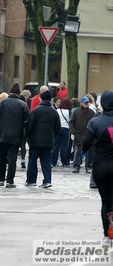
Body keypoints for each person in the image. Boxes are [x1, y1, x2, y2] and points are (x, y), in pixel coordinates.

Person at [82, 90, 113, 248]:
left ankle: (107, 236)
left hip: (100, 165)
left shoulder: (96, 121)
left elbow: (86, 144)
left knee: (105, 201)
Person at [0, 83, 29, 188]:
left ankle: (0, 179)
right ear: (18, 94)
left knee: (2, 157)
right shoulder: (22, 104)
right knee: (13, 158)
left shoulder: (1, 103)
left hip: (2, 134)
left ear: (9, 92)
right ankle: (10, 180)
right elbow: (26, 120)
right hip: (15, 135)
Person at [25, 90, 60, 188]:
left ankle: (31, 180)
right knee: (47, 161)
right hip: (48, 141)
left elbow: (30, 125)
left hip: (35, 140)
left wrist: (29, 136)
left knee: (32, 160)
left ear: (41, 98)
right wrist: (52, 136)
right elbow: (58, 127)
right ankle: (47, 180)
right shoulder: (54, 112)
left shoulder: (36, 110)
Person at [69, 96, 95, 173]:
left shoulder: (91, 112)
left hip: (88, 135)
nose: (87, 103)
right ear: (81, 103)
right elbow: (71, 122)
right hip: (78, 135)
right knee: (77, 152)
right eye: (85, 102)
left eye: (87, 102)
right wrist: (74, 132)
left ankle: (88, 167)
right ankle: (76, 166)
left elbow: (94, 123)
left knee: (88, 153)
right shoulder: (76, 112)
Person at [52, 97, 72, 167]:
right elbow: (71, 120)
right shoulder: (69, 111)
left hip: (58, 129)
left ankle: (53, 161)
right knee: (64, 146)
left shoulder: (57, 110)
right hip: (66, 129)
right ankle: (64, 162)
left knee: (56, 146)